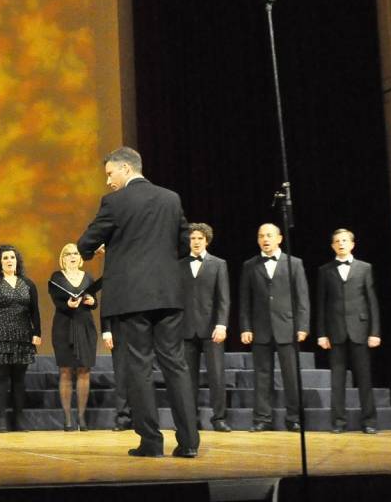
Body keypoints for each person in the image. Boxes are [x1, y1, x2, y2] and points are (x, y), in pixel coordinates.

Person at [76, 146, 198, 458]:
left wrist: (107, 247)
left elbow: (85, 244)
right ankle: (189, 443)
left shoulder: (115, 202)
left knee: (139, 367)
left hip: (131, 298)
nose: (108, 181)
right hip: (168, 295)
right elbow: (184, 245)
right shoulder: (171, 198)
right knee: (176, 365)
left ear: (126, 169)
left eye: (110, 174)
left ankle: (151, 442)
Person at [238, 223, 309, 433]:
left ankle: (294, 418)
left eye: (269, 235)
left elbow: (302, 298)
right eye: (261, 236)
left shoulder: (294, 263)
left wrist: (303, 326)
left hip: (287, 326)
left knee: (291, 375)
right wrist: (245, 327)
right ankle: (262, 418)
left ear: (279, 238)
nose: (265, 239)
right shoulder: (250, 265)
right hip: (260, 328)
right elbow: (245, 300)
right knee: (262, 375)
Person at [314, 228, 381, 434]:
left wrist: (375, 332)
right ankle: (338, 422)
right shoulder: (325, 270)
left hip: (360, 329)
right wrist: (322, 333)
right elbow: (321, 303)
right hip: (336, 330)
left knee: (364, 378)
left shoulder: (364, 268)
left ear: (352, 244)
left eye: (344, 240)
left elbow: (371, 301)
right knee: (337, 380)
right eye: (337, 241)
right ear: (332, 246)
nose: (341, 244)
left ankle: (369, 421)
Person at [0, 245, 41, 433]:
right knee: (0, 378)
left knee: (19, 380)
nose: (9, 260)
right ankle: (1, 420)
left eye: (12, 257)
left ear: (17, 261)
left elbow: (35, 311)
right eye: (5, 258)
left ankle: (18, 419)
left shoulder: (28, 283)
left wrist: (37, 333)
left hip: (23, 336)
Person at [180, 223, 231, 432]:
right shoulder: (179, 265)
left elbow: (223, 298)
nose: (196, 242)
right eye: (192, 238)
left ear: (207, 240)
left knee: (216, 375)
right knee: (187, 378)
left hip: (212, 329)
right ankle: (190, 419)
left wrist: (222, 325)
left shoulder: (218, 264)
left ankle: (219, 418)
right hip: (186, 329)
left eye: (200, 238)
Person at [48, 243, 97, 431]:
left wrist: (92, 301)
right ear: (63, 258)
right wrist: (67, 304)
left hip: (84, 325)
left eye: (75, 253)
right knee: (66, 370)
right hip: (64, 326)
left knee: (84, 370)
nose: (72, 256)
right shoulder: (57, 277)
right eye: (68, 254)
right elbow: (56, 300)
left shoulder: (88, 277)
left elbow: (93, 300)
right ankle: (68, 418)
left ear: (80, 257)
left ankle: (82, 418)